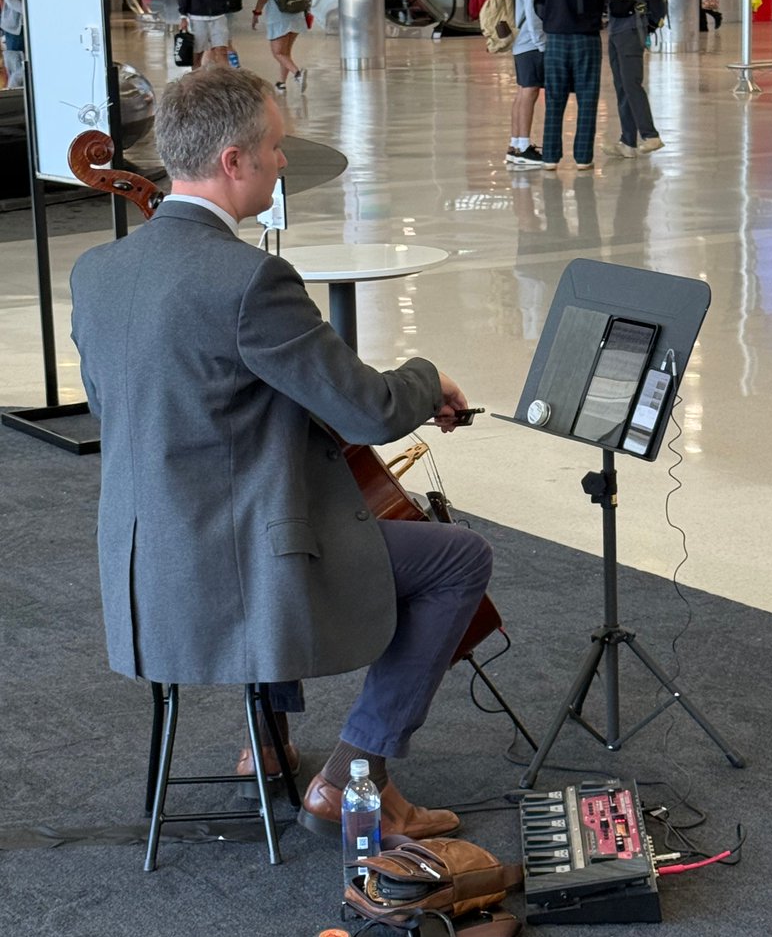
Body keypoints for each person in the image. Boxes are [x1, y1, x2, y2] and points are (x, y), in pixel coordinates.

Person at [69, 67, 491, 840]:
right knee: (456, 559)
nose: (283, 160)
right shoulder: (251, 277)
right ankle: (355, 779)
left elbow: (124, 408)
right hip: (230, 575)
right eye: (274, 146)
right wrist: (427, 377)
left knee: (282, 498)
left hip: (143, 570)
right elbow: (366, 410)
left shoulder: (98, 271)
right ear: (233, 161)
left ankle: (266, 742)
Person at [533, 0, 607, 171]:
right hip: (587, 39)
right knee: (587, 98)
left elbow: (538, 4)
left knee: (554, 98)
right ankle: (584, 157)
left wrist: (554, 19)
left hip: (556, 39)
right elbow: (603, 3)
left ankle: (551, 157)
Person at [599, 0, 667, 157]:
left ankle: (650, 136)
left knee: (631, 82)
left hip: (631, 28)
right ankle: (627, 141)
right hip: (616, 28)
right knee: (621, 86)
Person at [507, 0, 554, 167]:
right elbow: (534, 13)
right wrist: (542, 44)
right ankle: (523, 146)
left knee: (524, 92)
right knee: (529, 93)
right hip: (531, 44)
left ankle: (516, 145)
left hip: (523, 44)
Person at [252, 0, 308, 93]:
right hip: (296, 16)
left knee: (278, 53)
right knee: (285, 53)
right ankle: (281, 84)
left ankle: (298, 74)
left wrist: (256, 13)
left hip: (279, 18)